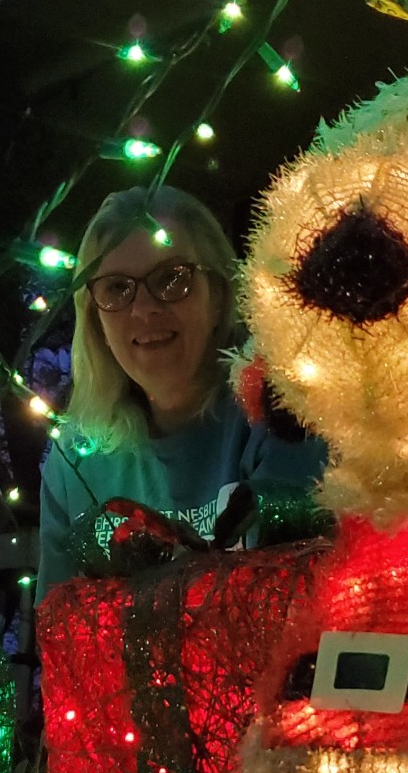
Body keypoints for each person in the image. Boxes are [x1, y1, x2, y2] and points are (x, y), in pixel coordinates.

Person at [35, 185, 327, 600]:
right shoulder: (75, 460)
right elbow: (56, 632)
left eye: (172, 279)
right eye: (117, 288)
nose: (143, 309)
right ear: (94, 316)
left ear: (220, 294)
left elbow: (290, 606)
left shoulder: (277, 414)